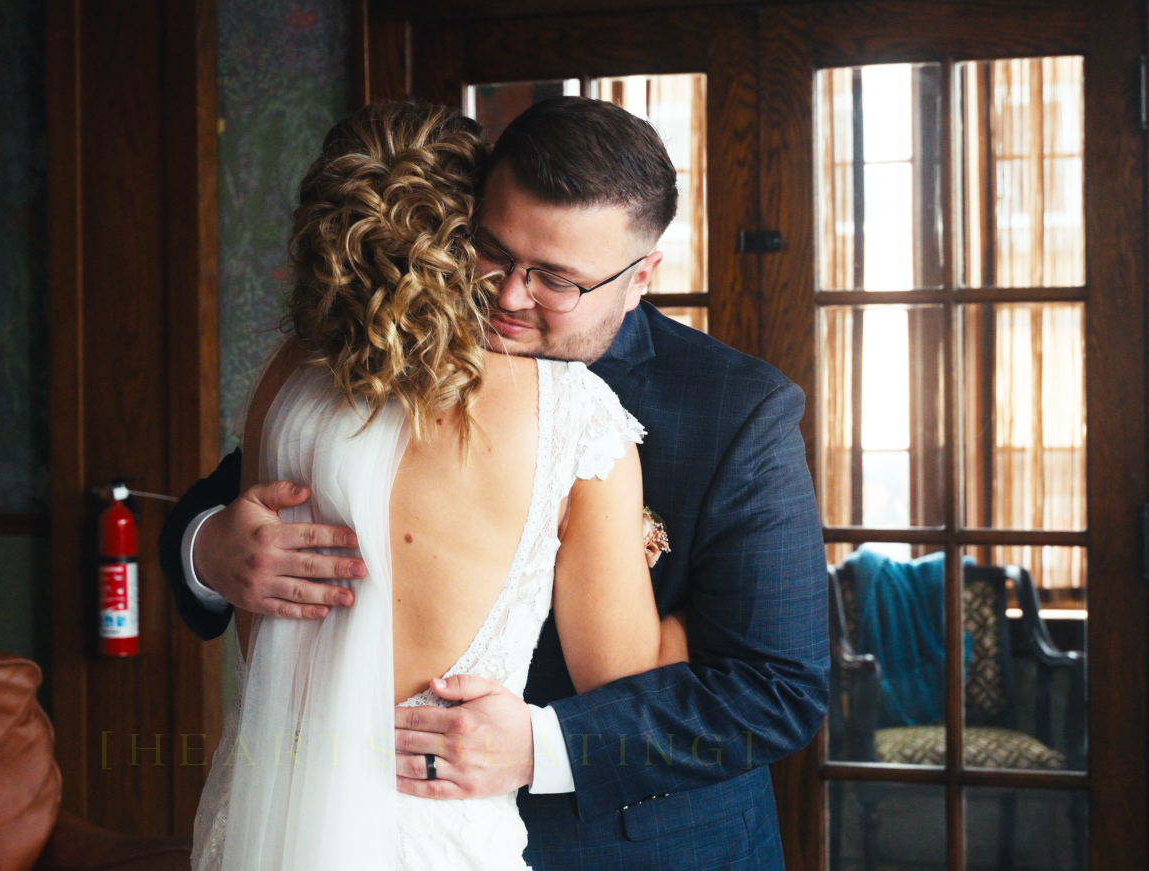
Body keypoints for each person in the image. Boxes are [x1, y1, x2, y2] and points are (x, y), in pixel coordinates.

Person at [168, 96, 828, 870]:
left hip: (635, 846)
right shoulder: (371, 351)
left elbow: (779, 688)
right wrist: (207, 549)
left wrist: (546, 746)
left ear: (641, 274)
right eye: (493, 250)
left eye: (555, 279)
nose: (510, 297)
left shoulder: (735, 409)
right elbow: (229, 497)